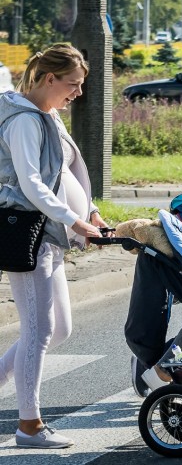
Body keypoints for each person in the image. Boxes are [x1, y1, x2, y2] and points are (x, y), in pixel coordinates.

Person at [0, 44, 110, 449]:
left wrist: (92, 212)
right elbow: (32, 183)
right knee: (39, 329)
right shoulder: (24, 120)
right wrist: (75, 220)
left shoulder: (49, 116)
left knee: (59, 328)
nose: (78, 93)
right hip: (30, 233)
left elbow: (65, 171)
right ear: (49, 79)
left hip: (53, 234)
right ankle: (29, 425)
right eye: (73, 84)